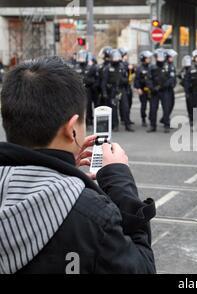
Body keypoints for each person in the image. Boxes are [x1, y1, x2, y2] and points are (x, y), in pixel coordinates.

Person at [0, 56, 156, 274]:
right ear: (71, 128)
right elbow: (142, 268)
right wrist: (119, 180)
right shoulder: (95, 214)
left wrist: (56, 164)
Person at [147, 49, 174, 133]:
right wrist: (152, 87)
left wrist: (163, 86)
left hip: (165, 91)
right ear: (156, 57)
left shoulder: (169, 66)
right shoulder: (152, 67)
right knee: (153, 108)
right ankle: (152, 125)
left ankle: (166, 125)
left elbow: (172, 79)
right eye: (159, 57)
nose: (160, 58)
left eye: (162, 57)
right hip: (155, 91)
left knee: (166, 108)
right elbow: (148, 79)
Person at [101, 49, 128, 132]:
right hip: (112, 90)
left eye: (117, 57)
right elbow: (104, 81)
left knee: (125, 107)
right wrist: (104, 92)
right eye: (114, 57)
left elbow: (126, 79)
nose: (116, 59)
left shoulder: (122, 67)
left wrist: (124, 81)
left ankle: (127, 124)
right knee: (113, 109)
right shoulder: (107, 68)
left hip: (121, 89)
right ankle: (115, 125)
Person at [134, 50, 153, 127]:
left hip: (151, 90)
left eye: (149, 58)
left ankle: (152, 119)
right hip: (143, 90)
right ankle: (143, 119)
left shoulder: (151, 67)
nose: (149, 59)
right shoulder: (139, 68)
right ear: (143, 59)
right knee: (143, 105)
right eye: (147, 58)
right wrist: (138, 88)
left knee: (153, 105)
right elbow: (137, 79)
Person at [179, 55, 194, 126]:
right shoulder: (183, 70)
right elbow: (179, 76)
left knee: (195, 105)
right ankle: (191, 119)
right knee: (189, 105)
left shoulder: (192, 68)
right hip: (187, 90)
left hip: (194, 89)